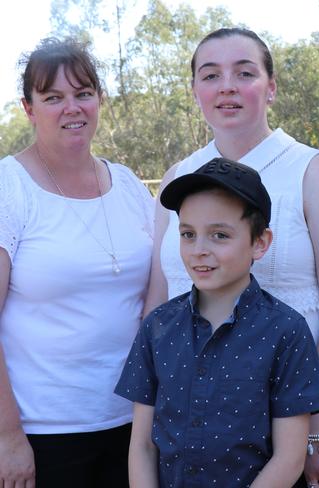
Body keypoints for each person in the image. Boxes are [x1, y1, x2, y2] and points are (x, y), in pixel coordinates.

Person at [144, 27, 319, 488]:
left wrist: (317, 433)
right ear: (195, 90)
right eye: (211, 75)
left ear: (271, 87)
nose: (227, 86)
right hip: (193, 432)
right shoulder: (177, 177)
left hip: (293, 428)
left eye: (244, 73)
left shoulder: (310, 170)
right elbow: (158, 304)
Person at [116, 157, 319, 487]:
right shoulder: (158, 327)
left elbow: (289, 458)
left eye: (219, 235)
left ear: (260, 243)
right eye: (188, 234)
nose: (199, 250)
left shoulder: (287, 331)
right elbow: (142, 446)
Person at [0, 38, 153, 488]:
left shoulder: (126, 184)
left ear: (99, 100)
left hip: (133, 425)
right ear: (29, 108)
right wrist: (7, 436)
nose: (73, 108)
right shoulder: (9, 189)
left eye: (83, 93)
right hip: (44, 435)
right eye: (53, 98)